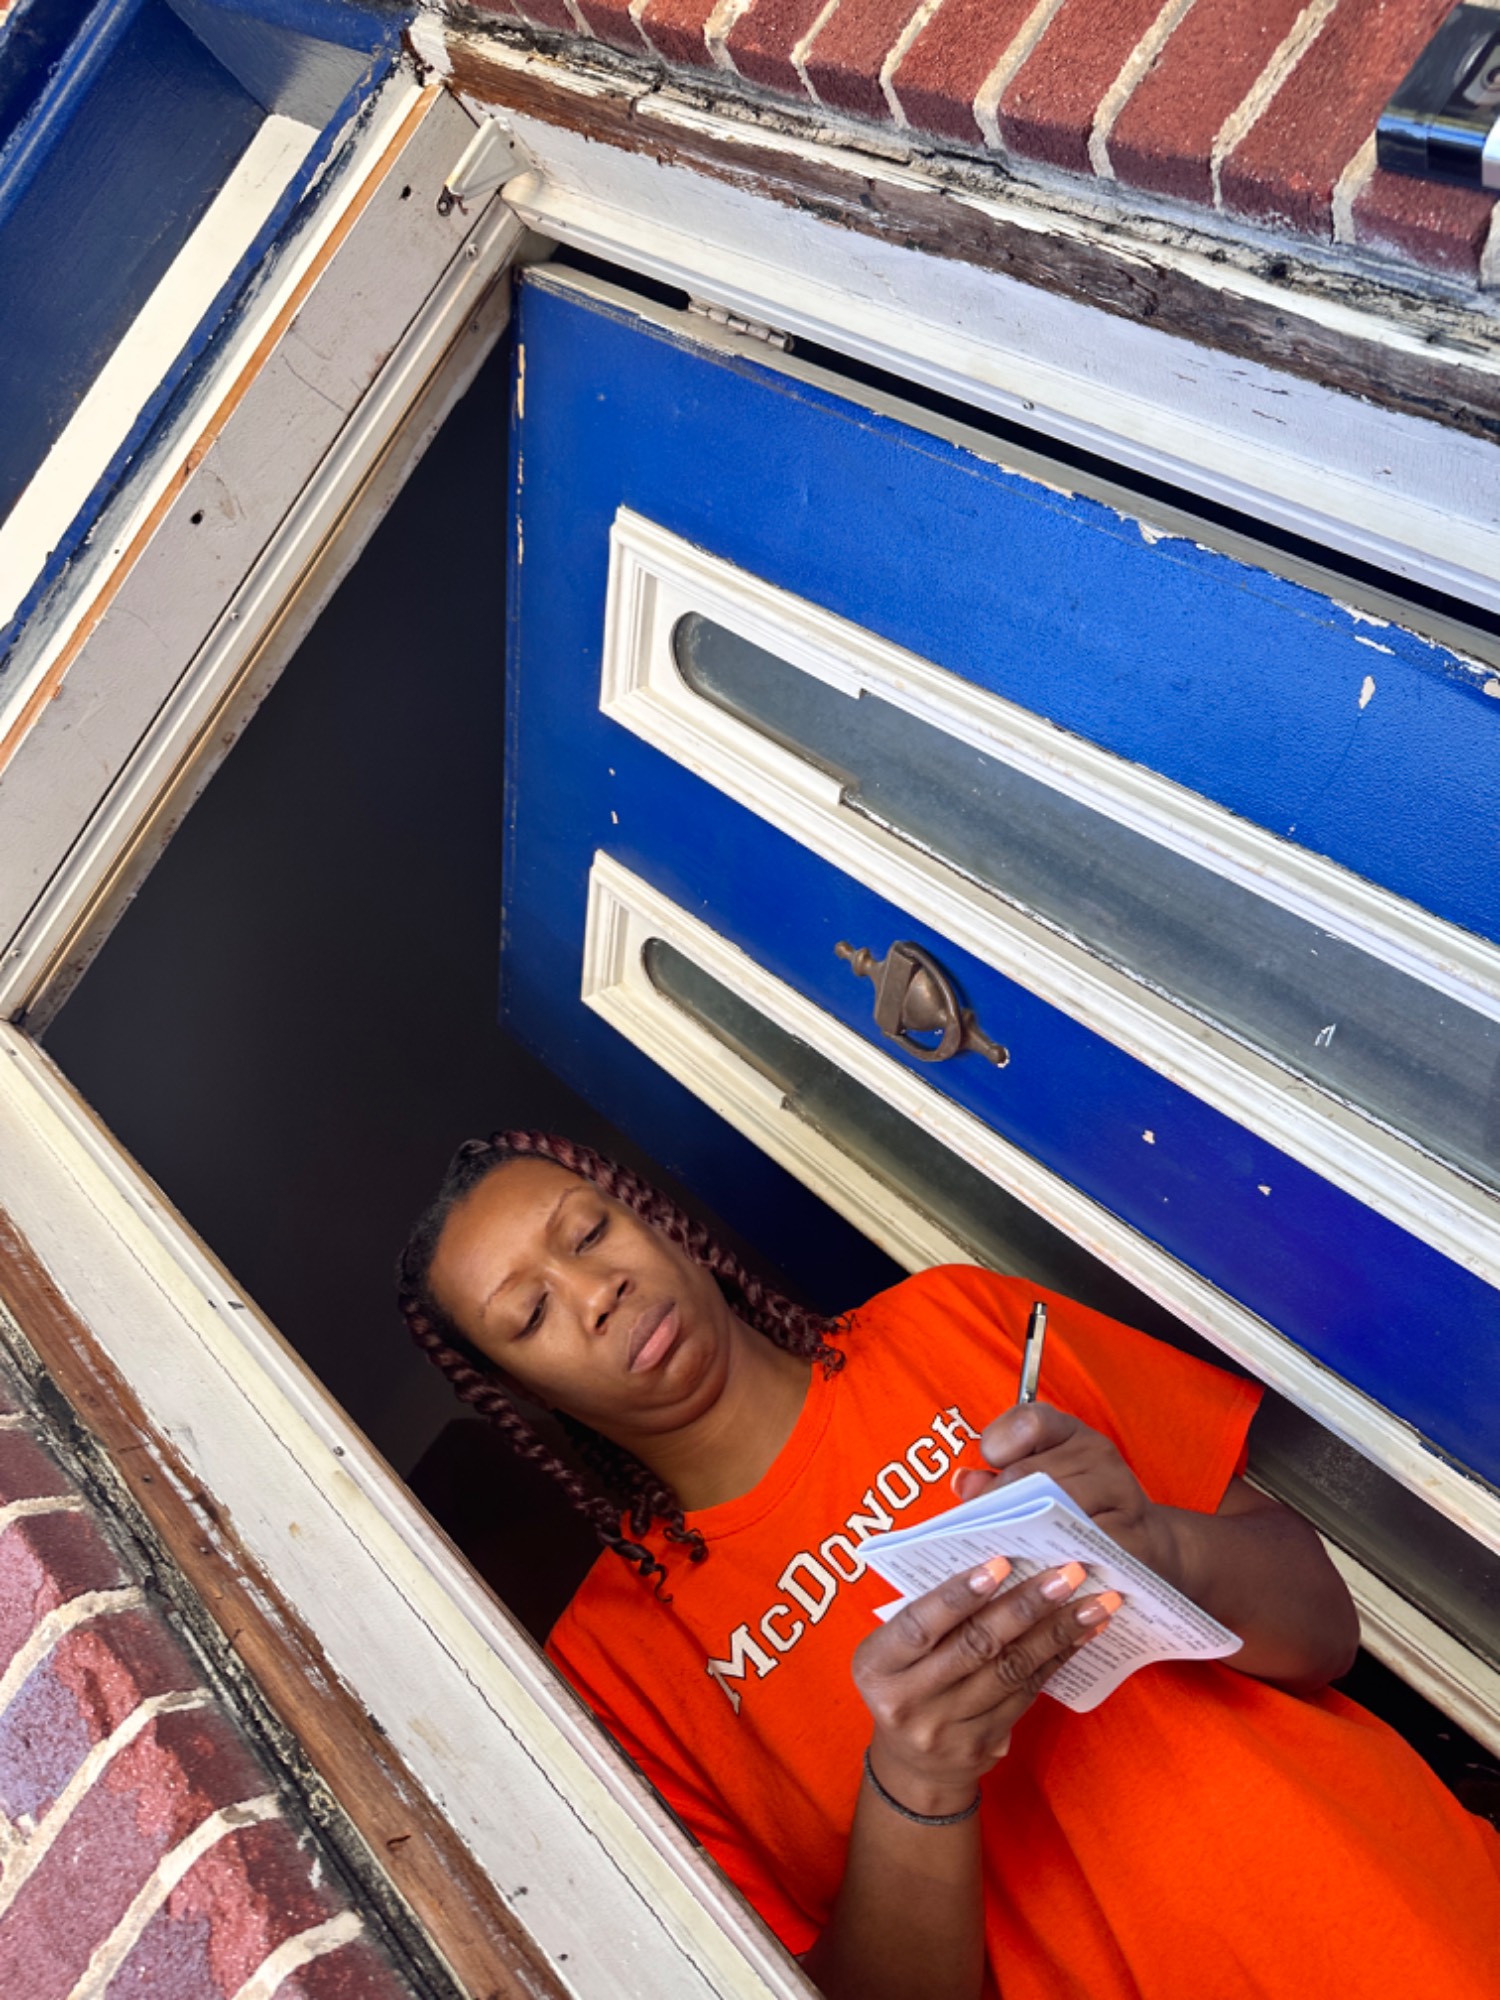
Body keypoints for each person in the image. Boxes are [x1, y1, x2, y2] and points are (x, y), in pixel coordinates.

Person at [396, 1129, 1500, 2000]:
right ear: (524, 1394)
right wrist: (918, 1783)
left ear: (656, 1220)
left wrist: (1158, 1548)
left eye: (590, 1232)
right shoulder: (613, 1666)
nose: (594, 1291)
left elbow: (1324, 1629)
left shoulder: (953, 1318)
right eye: (530, 1313)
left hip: (1421, 1925)